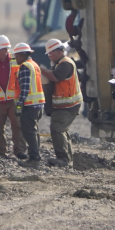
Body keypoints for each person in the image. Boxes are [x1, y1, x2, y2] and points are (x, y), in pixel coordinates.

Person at [40, 38, 81, 168]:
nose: (49, 56)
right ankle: (68, 159)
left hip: (69, 105)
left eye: (51, 53)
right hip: (65, 105)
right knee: (63, 130)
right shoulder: (59, 63)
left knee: (57, 129)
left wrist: (41, 70)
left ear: (59, 51)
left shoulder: (65, 64)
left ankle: (63, 158)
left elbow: (56, 77)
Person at [13, 43, 45, 168]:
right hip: (38, 103)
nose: (15, 58)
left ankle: (34, 159)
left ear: (22, 54)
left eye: (16, 55)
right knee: (34, 131)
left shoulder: (25, 66)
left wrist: (19, 105)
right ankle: (35, 156)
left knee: (29, 132)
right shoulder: (34, 65)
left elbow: (25, 88)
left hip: (30, 104)